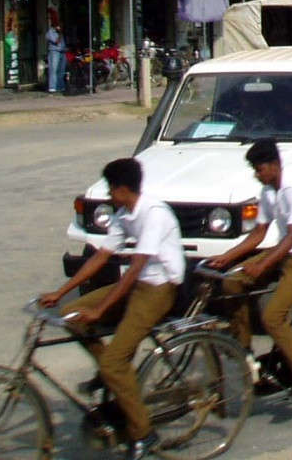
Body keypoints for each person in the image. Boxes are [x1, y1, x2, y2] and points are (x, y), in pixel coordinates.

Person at [40, 157, 184, 459]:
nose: (108, 195)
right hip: (137, 284)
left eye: (110, 189)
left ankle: (143, 433)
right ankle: (114, 374)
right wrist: (60, 293)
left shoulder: (154, 214)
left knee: (113, 363)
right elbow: (101, 256)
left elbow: (136, 267)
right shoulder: (123, 214)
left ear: (123, 189)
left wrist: (101, 308)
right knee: (71, 316)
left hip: (159, 289)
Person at [207, 138, 292, 402]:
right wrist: (226, 258)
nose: (257, 174)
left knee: (272, 317)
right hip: (285, 252)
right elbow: (259, 233)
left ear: (275, 164)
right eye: (254, 170)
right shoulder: (267, 192)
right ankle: (244, 350)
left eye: (260, 169)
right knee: (231, 282)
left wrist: (262, 265)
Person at [46, 11, 67, 94]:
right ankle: (52, 87)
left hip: (62, 52)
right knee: (53, 69)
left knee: (61, 70)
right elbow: (56, 41)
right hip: (54, 52)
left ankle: (60, 86)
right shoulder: (50, 32)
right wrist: (60, 32)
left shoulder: (60, 32)